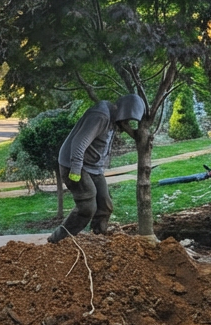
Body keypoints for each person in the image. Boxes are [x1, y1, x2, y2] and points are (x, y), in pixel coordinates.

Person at [47, 94, 146, 243]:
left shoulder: (113, 118)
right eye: (127, 120)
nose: (127, 124)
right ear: (122, 112)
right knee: (87, 207)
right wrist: (75, 170)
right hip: (73, 164)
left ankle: (98, 237)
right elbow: (79, 143)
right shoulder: (100, 116)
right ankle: (58, 240)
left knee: (105, 205)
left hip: (93, 167)